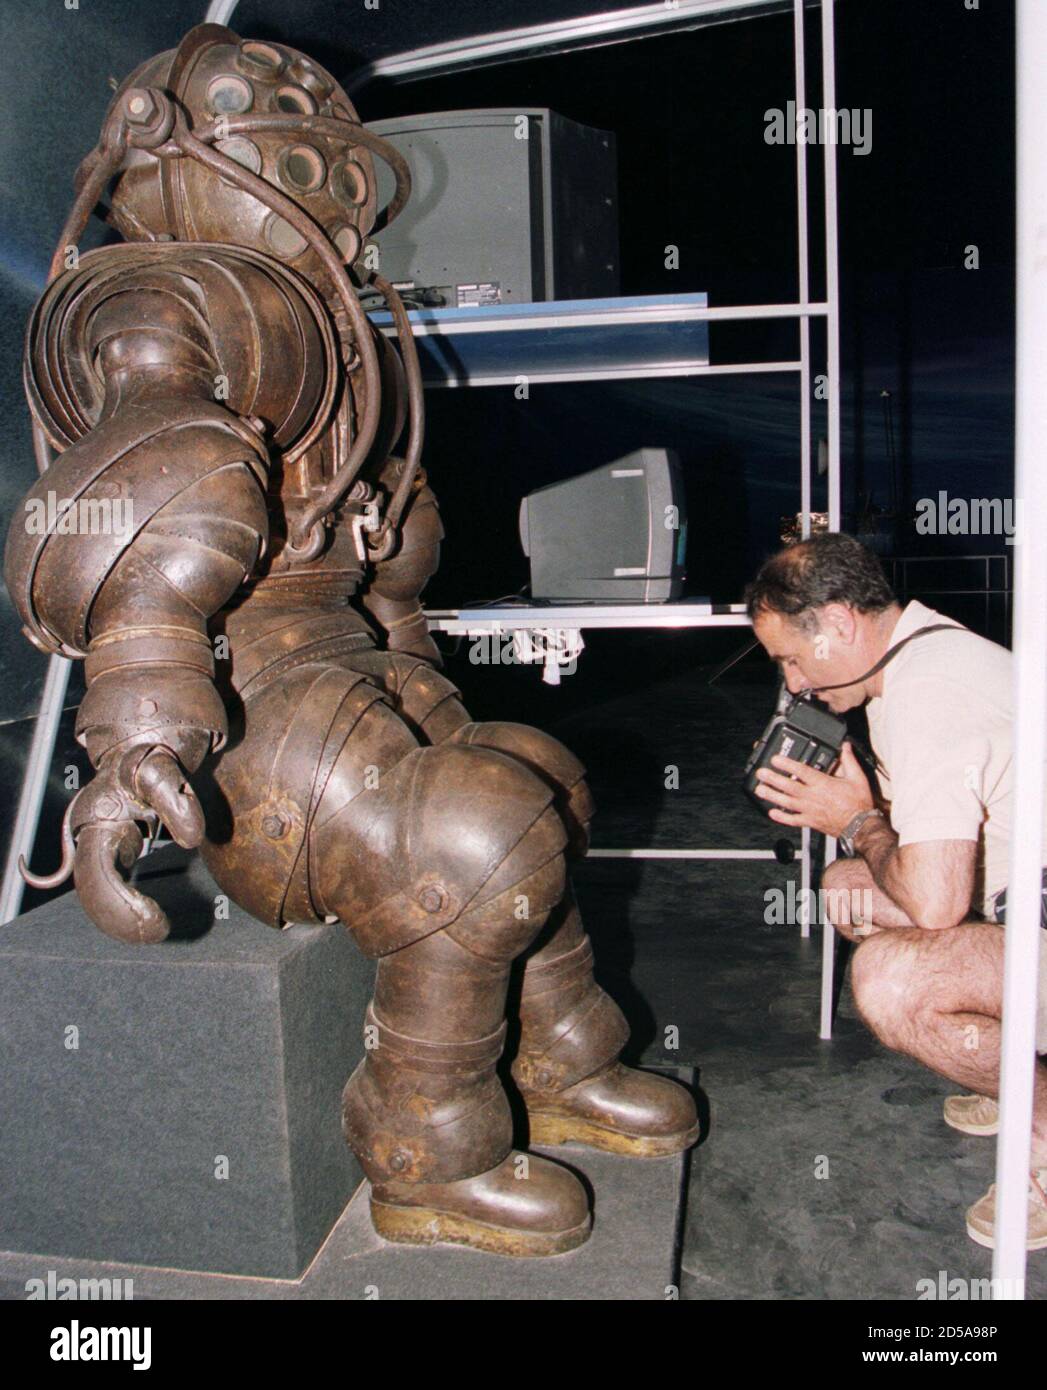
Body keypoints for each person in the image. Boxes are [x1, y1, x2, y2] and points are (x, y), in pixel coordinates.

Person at [744, 531, 1047, 1251]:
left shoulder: (927, 695)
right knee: (848, 885)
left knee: (888, 981)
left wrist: (853, 819)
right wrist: (860, 830)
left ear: (841, 623)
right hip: (1022, 895)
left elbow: (935, 903)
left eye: (791, 657)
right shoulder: (920, 653)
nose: (791, 683)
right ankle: (1008, 1067)